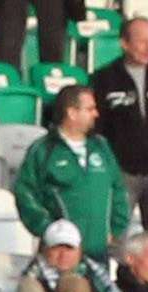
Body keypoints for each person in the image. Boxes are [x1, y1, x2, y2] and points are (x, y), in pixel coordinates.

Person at [91, 16, 148, 237]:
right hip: (122, 173)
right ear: (124, 43)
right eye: (142, 41)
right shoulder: (104, 79)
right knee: (116, 234)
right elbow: (96, 127)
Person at [15, 85, 130, 263]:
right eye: (90, 109)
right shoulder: (43, 150)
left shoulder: (101, 147)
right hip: (62, 255)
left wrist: (115, 230)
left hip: (99, 253)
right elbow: (25, 193)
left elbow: (118, 189)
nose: (96, 114)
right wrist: (48, 230)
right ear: (72, 113)